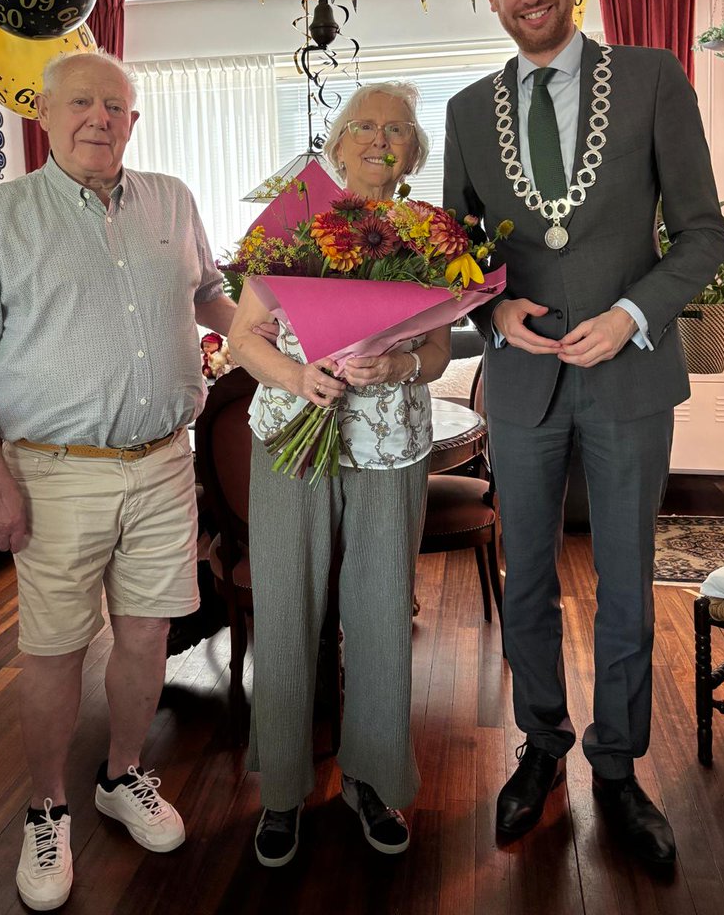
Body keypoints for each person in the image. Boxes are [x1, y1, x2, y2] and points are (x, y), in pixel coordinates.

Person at [443, 0, 724, 867]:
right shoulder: (466, 113)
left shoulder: (651, 79)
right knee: (524, 580)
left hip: (631, 379)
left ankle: (617, 767)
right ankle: (541, 745)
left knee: (624, 587)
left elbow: (702, 234)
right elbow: (459, 258)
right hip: (521, 388)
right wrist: (491, 312)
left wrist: (632, 315)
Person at [0, 51, 235, 911]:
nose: (101, 117)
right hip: (54, 474)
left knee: (146, 637)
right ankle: (47, 806)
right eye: (83, 104)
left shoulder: (172, 200)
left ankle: (122, 775)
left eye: (117, 106)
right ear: (46, 117)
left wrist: (287, 336)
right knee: (54, 650)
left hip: (166, 463)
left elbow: (211, 295)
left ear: (135, 120)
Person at [228, 82, 451, 866]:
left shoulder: (431, 233)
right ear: (338, 141)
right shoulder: (294, 220)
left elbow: (440, 349)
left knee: (384, 609)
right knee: (286, 606)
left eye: (397, 128)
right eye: (365, 126)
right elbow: (240, 338)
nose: (380, 140)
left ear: (414, 149)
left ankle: (371, 778)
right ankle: (283, 790)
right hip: (293, 430)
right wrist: (295, 379)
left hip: (389, 438)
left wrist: (400, 361)